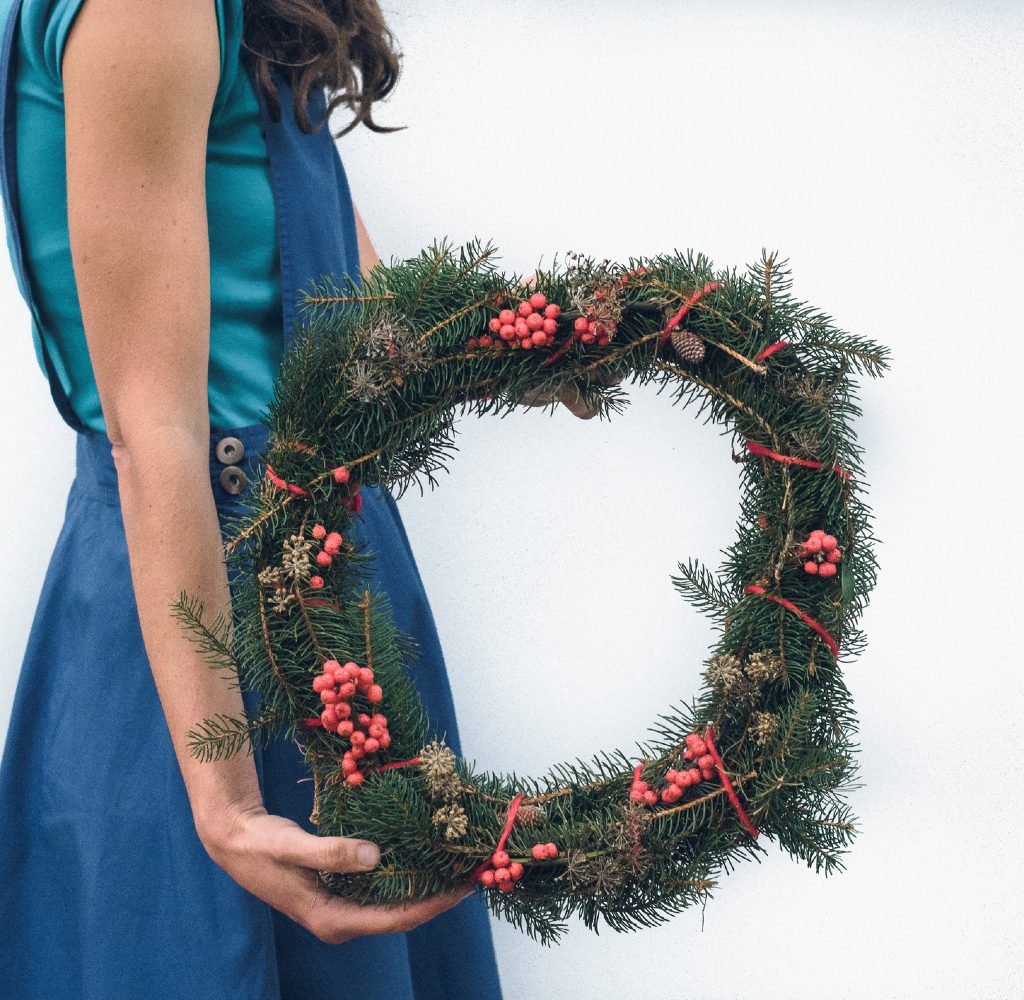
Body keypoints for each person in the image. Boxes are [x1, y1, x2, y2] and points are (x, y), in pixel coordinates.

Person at [0, 0, 599, 995]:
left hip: (338, 572)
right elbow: (157, 434)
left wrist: (560, 342)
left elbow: (353, 302)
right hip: (210, 604)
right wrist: (225, 796)